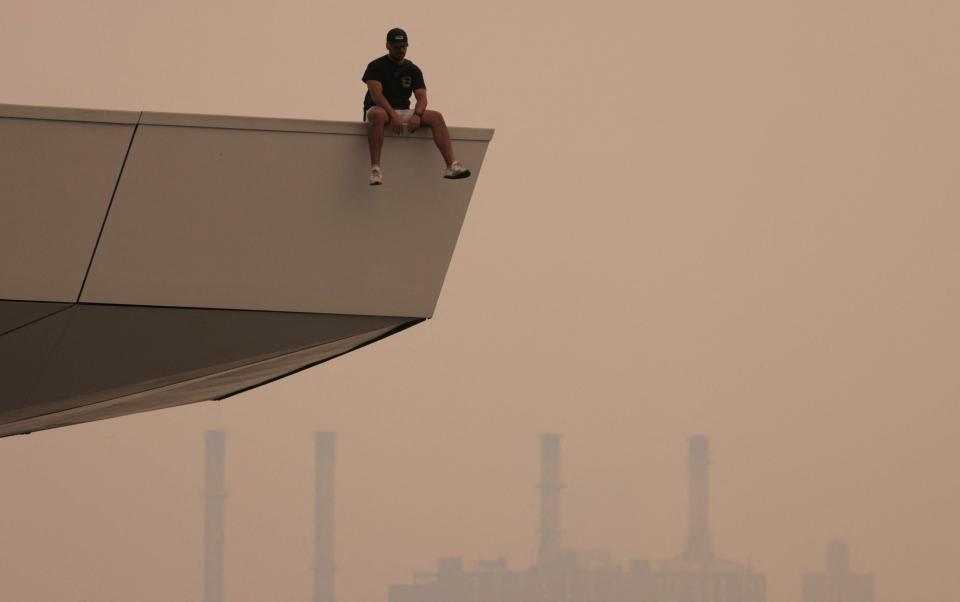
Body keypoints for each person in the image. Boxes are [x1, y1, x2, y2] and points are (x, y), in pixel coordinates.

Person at [362, 28, 471, 186]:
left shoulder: (412, 69)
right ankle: (375, 169)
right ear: (387, 46)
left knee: (436, 117)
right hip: (380, 110)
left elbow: (422, 97)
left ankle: (451, 165)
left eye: (403, 46)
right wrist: (393, 117)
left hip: (402, 110)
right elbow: (376, 95)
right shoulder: (376, 66)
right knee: (378, 115)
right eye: (397, 47)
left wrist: (417, 115)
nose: (401, 50)